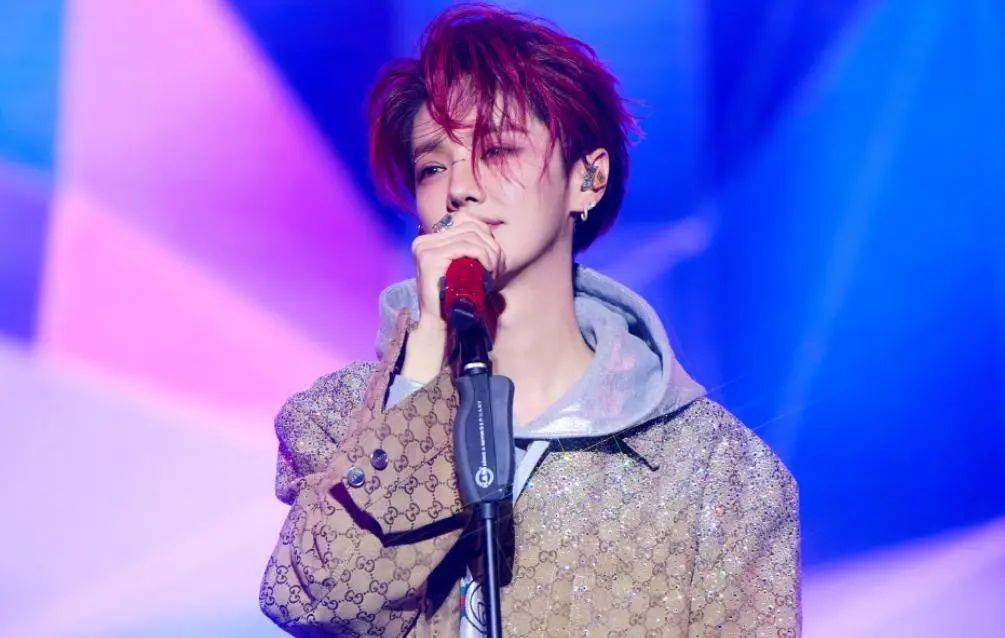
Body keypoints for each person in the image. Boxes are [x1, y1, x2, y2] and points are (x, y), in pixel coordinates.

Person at [259, 3, 801, 636]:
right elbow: (317, 603)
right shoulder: (339, 421)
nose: (459, 187)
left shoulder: (716, 473)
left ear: (588, 179)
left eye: (497, 149)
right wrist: (426, 350)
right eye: (433, 166)